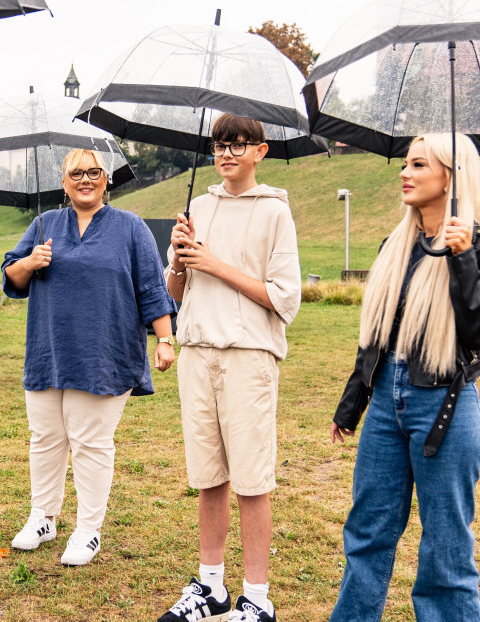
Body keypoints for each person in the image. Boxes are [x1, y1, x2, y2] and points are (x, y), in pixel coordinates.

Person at [327, 133, 480, 622]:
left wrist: (463, 257)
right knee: (367, 531)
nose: (405, 173)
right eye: (405, 164)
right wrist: (353, 406)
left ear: (450, 176)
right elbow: (377, 334)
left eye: (419, 164)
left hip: (445, 406)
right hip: (386, 399)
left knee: (447, 547)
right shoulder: (396, 245)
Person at [1, 148, 177, 567]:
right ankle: (43, 518)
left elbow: (152, 288)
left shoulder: (131, 228)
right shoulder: (44, 224)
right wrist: (30, 261)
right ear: (64, 182)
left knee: (90, 444)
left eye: (94, 172)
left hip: (105, 353)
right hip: (49, 352)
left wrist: (166, 339)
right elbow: (11, 274)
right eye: (76, 173)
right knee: (45, 440)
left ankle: (88, 530)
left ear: (106, 179)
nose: (85, 179)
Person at [158, 114, 302, 622]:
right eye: (220, 144)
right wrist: (178, 260)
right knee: (208, 476)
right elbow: (173, 294)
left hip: (248, 356)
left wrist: (215, 263)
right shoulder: (198, 206)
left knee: (251, 479)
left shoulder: (274, 212)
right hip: (197, 353)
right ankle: (210, 587)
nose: (227, 153)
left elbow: (285, 299)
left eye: (239, 145)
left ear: (260, 152)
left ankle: (257, 598)